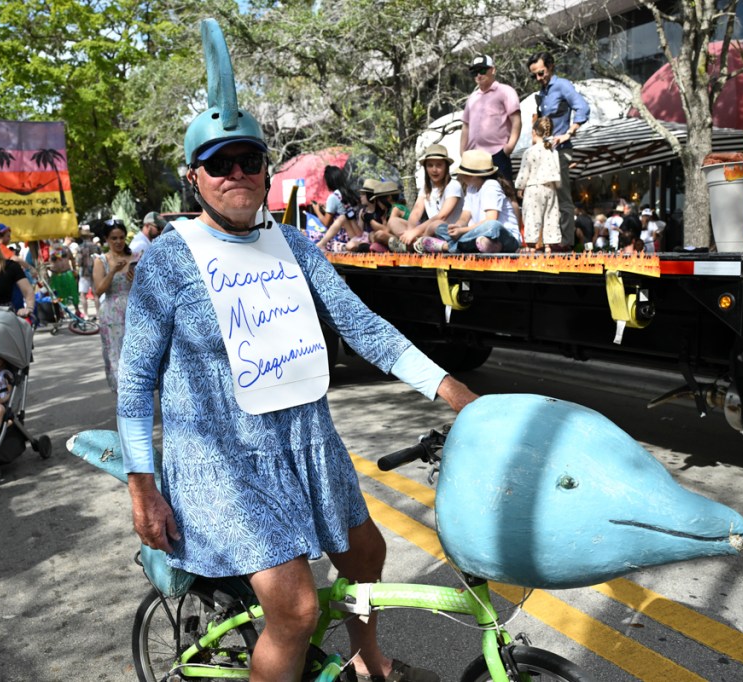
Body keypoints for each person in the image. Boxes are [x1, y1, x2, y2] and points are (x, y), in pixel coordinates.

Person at [117, 19, 477, 681]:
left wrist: (458, 394)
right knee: (296, 609)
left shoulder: (296, 245)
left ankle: (369, 661)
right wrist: (144, 486)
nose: (236, 174)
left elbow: (364, 328)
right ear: (193, 177)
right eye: (217, 164)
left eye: (248, 159)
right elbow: (136, 383)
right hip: (222, 461)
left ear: (264, 168)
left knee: (365, 556)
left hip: (308, 442)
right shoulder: (168, 261)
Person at [528, 51, 590, 243]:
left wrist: (568, 133)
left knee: (562, 197)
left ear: (550, 66)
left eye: (541, 73)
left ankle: (565, 243)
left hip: (560, 151)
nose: (538, 78)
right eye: (534, 75)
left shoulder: (562, 85)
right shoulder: (543, 92)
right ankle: (548, 241)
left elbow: (583, 107)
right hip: (544, 152)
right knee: (545, 197)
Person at [417, 149, 521, 254]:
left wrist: (462, 231)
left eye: (463, 174)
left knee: (493, 226)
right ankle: (485, 245)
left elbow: (491, 220)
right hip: (477, 235)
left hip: (504, 237)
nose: (460, 176)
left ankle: (447, 246)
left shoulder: (491, 186)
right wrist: (457, 226)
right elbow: (465, 216)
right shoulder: (471, 188)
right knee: (439, 227)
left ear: (472, 175)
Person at [460, 54, 521, 182]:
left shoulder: (505, 91)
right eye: (475, 72)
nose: (478, 75)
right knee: (476, 197)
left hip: (497, 154)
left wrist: (509, 148)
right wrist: (462, 152)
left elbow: (516, 120)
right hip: (474, 157)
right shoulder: (472, 98)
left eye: (482, 70)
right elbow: (466, 126)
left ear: (493, 70)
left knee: (505, 195)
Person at [398, 144, 464, 250]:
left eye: (439, 165)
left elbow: (442, 216)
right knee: (394, 222)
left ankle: (421, 242)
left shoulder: (453, 185)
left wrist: (414, 232)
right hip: (429, 230)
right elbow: (416, 211)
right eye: (430, 165)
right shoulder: (426, 188)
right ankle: (413, 244)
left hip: (449, 231)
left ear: (446, 167)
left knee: (437, 224)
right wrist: (410, 231)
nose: (434, 170)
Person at [92, 221, 133, 392]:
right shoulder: (101, 261)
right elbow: (99, 290)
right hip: (112, 313)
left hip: (134, 310)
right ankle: (122, 393)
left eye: (121, 237)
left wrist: (135, 278)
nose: (118, 242)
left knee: (135, 353)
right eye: (114, 238)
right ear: (106, 240)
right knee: (116, 354)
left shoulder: (134, 257)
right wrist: (112, 271)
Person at [515, 117, 562, 252]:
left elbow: (524, 172)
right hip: (551, 188)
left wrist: (520, 187)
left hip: (534, 187)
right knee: (551, 216)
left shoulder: (530, 151)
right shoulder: (554, 152)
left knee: (532, 216)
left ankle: (531, 246)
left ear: (534, 132)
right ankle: (549, 246)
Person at [310, 165, 360, 252]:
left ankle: (331, 246)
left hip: (341, 236)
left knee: (310, 235)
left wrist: (317, 211)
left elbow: (326, 223)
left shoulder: (333, 197)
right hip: (354, 233)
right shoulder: (349, 193)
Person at [48, 240, 81, 315]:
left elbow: (72, 259)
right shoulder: (49, 250)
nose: (55, 239)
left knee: (73, 292)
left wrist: (74, 270)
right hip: (56, 275)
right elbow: (46, 262)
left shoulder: (65, 249)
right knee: (58, 294)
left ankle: (77, 310)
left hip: (67, 273)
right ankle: (61, 311)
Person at [76, 227, 102, 318]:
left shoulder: (80, 247)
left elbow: (79, 262)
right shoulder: (96, 247)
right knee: (96, 293)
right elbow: (101, 258)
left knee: (83, 294)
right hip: (96, 271)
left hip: (84, 272)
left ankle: (86, 315)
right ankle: (98, 313)